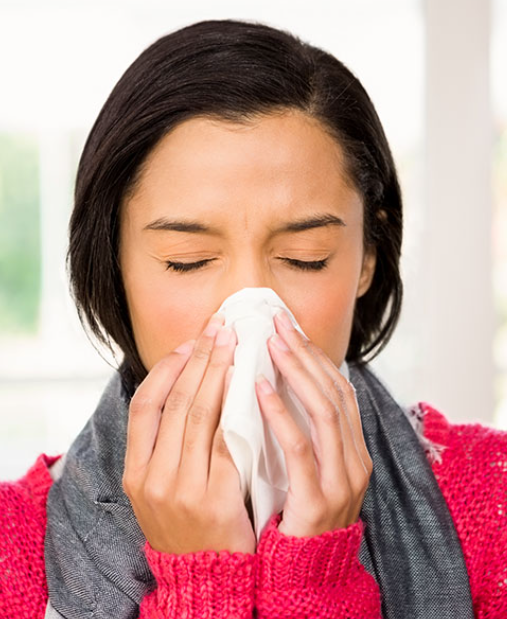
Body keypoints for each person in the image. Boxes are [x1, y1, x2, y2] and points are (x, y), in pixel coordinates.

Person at [1, 18, 505, 619]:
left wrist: (317, 576)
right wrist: (201, 584)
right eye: (186, 262)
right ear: (114, 267)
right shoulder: (15, 546)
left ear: (368, 255)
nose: (250, 315)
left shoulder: (490, 500)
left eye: (305, 258)